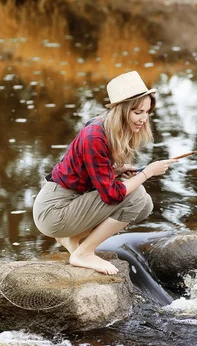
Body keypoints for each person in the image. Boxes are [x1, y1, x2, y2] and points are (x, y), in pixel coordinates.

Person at [33, 71, 175, 275]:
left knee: (144, 206)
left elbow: (88, 172)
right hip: (54, 210)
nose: (143, 118)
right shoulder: (95, 136)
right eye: (137, 112)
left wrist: (115, 171)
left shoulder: (105, 126)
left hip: (71, 202)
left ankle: (71, 238)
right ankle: (83, 253)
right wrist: (148, 173)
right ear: (122, 111)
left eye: (146, 112)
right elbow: (111, 195)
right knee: (136, 196)